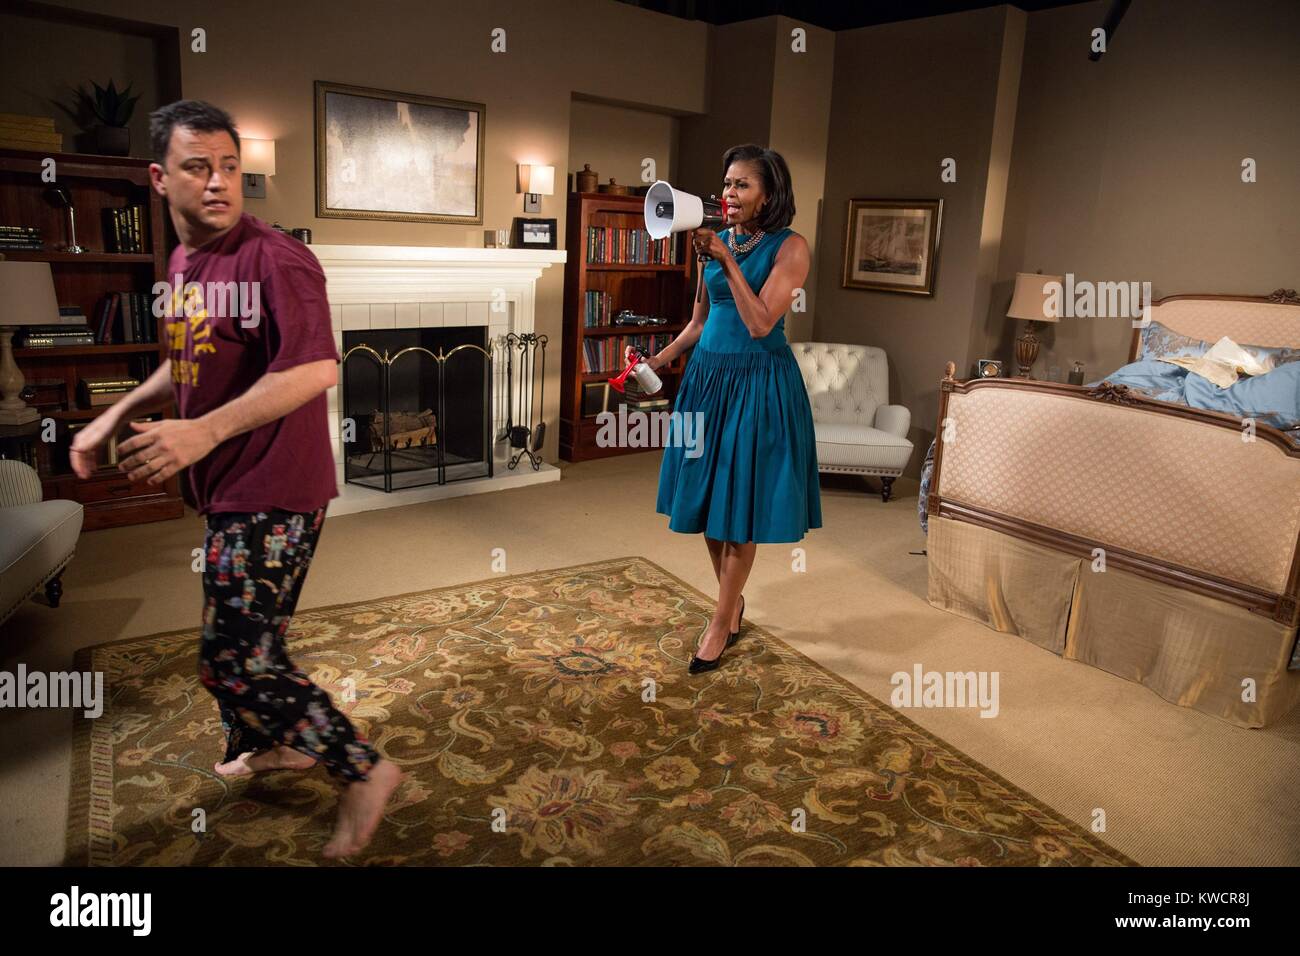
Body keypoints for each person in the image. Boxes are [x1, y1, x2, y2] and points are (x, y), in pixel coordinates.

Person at [69, 99, 401, 859]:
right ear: (159, 177)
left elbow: (318, 367)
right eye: (198, 167)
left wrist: (203, 431)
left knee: (234, 658)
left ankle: (363, 770)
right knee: (255, 641)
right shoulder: (186, 262)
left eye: (230, 168)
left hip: (275, 490)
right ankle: (282, 742)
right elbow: (186, 357)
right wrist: (109, 415)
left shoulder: (276, 257)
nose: (219, 183)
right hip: (228, 489)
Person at [637, 144, 822, 674]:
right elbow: (699, 322)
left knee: (738, 507)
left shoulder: (792, 247)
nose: (728, 192)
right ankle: (731, 601)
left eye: (742, 184)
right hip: (706, 382)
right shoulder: (716, 243)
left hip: (757, 385)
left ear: (770, 193)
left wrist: (724, 259)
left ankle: (720, 620)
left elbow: (761, 321)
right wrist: (655, 363)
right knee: (704, 501)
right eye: (727, 182)